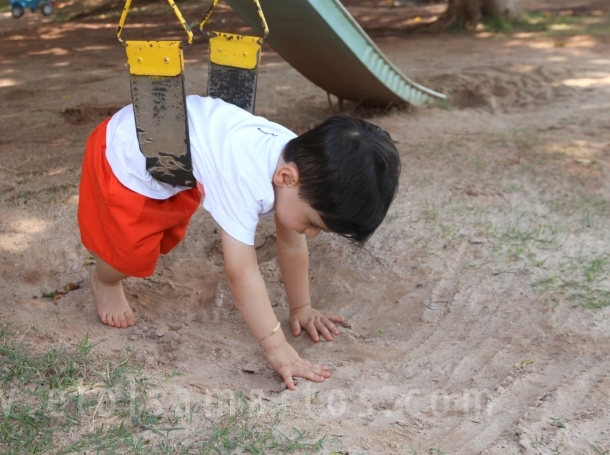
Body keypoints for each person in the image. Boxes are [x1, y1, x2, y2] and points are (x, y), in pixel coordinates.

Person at [78, 95, 401, 389]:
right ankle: (104, 282)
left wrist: (301, 307)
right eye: (313, 223)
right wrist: (277, 348)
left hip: (173, 160)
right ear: (286, 178)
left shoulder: (297, 160)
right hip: (124, 152)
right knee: (129, 256)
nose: (312, 233)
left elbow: (290, 244)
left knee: (164, 233)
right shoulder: (245, 180)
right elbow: (240, 272)